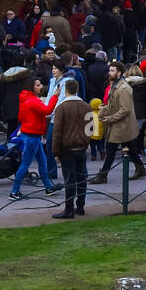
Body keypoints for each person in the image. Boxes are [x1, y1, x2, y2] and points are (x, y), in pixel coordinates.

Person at [89, 62, 146, 182]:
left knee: (110, 150)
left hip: (122, 125)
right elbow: (113, 104)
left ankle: (103, 175)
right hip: (120, 125)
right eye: (110, 70)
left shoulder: (123, 88)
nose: (110, 73)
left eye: (112, 71)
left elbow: (125, 110)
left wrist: (109, 118)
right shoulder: (116, 85)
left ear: (119, 73)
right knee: (130, 150)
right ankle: (140, 169)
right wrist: (104, 110)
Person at [9, 78, 60, 200]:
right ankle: (14, 191)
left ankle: (48, 187)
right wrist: (55, 96)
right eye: (38, 85)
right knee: (26, 164)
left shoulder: (25, 98)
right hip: (33, 135)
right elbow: (47, 110)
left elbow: (21, 117)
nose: (41, 86)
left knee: (42, 161)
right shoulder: (32, 100)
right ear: (32, 87)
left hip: (31, 133)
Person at [50, 79, 90, 217]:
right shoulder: (86, 106)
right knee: (81, 177)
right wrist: (86, 142)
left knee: (70, 179)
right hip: (81, 147)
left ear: (66, 90)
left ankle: (69, 209)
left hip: (67, 148)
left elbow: (57, 132)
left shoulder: (61, 108)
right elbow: (91, 129)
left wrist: (55, 151)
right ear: (77, 89)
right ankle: (80, 206)